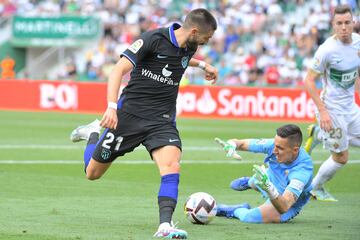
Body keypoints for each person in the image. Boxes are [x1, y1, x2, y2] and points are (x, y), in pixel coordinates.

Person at [70, 8, 218, 239]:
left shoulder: (191, 46)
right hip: (128, 116)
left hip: (161, 121)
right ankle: (92, 132)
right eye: (206, 38)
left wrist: (203, 66)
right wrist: (111, 107)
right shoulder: (152, 39)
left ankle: (165, 226)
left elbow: (181, 59)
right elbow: (118, 69)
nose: (207, 42)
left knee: (171, 166)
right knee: (92, 173)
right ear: (195, 31)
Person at [303, 4, 360, 201]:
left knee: (344, 144)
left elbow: (356, 74)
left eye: (347, 22)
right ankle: (315, 188)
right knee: (341, 158)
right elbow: (308, 81)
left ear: (353, 22)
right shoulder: (326, 50)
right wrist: (323, 111)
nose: (344, 27)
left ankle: (320, 134)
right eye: (339, 23)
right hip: (332, 110)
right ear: (333, 25)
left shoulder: (358, 44)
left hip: (351, 108)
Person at [214, 124, 313, 223]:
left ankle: (235, 210)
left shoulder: (302, 170)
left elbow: (284, 206)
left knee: (249, 218)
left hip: (287, 202)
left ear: (295, 150)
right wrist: (232, 144)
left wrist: (270, 189)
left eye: (280, 148)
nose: (274, 151)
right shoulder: (274, 145)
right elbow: (242, 143)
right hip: (271, 178)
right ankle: (251, 182)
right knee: (259, 179)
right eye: (275, 145)